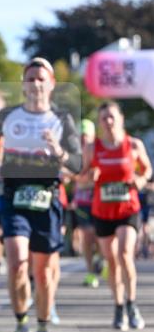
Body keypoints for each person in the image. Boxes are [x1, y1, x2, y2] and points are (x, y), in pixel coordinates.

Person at [0, 57, 82, 332]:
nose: (36, 83)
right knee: (16, 263)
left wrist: (58, 151)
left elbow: (77, 163)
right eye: (31, 78)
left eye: (41, 78)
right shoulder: (8, 116)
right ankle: (21, 326)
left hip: (47, 199)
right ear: (24, 85)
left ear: (51, 84)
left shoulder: (62, 119)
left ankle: (42, 331)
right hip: (15, 197)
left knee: (44, 274)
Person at [84, 101, 151, 331]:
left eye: (112, 117)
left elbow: (147, 169)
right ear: (100, 122)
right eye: (104, 118)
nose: (109, 121)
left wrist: (141, 179)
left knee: (124, 254)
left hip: (127, 209)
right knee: (111, 262)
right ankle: (118, 305)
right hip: (103, 211)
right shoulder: (92, 148)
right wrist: (90, 176)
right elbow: (82, 176)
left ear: (121, 119)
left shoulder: (133, 144)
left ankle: (132, 303)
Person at [71, 119, 100, 288]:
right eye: (80, 136)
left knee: (101, 237)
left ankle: (101, 260)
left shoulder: (99, 151)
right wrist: (84, 178)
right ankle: (90, 272)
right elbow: (73, 176)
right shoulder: (74, 154)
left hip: (99, 200)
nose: (83, 139)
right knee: (87, 236)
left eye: (86, 136)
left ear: (93, 135)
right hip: (82, 201)